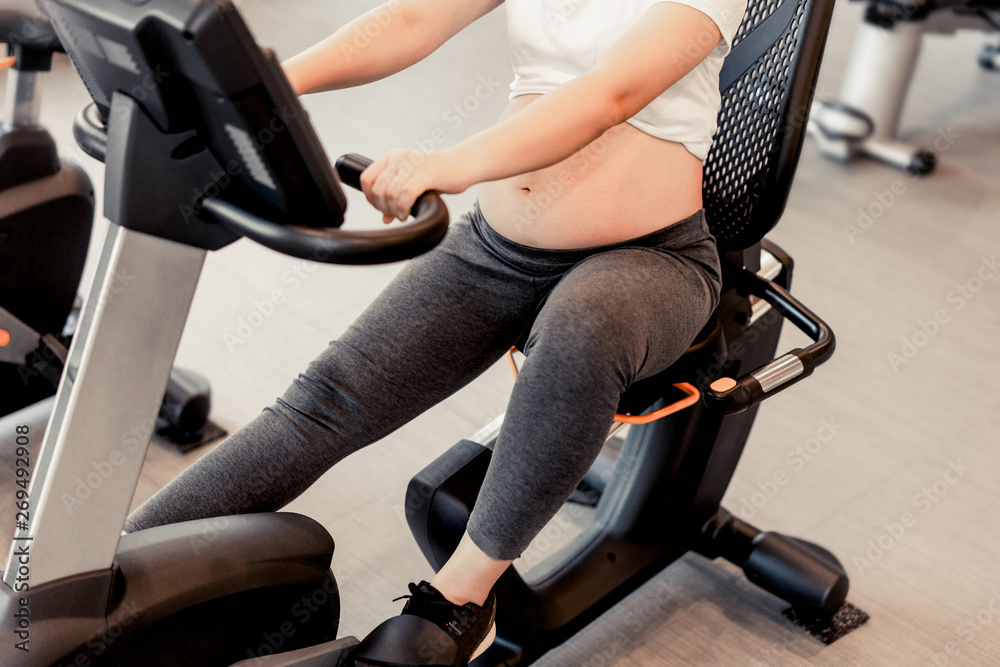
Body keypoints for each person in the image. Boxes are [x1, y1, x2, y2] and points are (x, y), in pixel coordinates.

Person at [124, 0, 747, 661]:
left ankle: (460, 600)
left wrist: (451, 163)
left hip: (651, 255)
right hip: (498, 244)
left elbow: (610, 93)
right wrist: (264, 89)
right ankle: (111, 564)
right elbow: (413, 19)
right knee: (325, 401)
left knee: (582, 329)